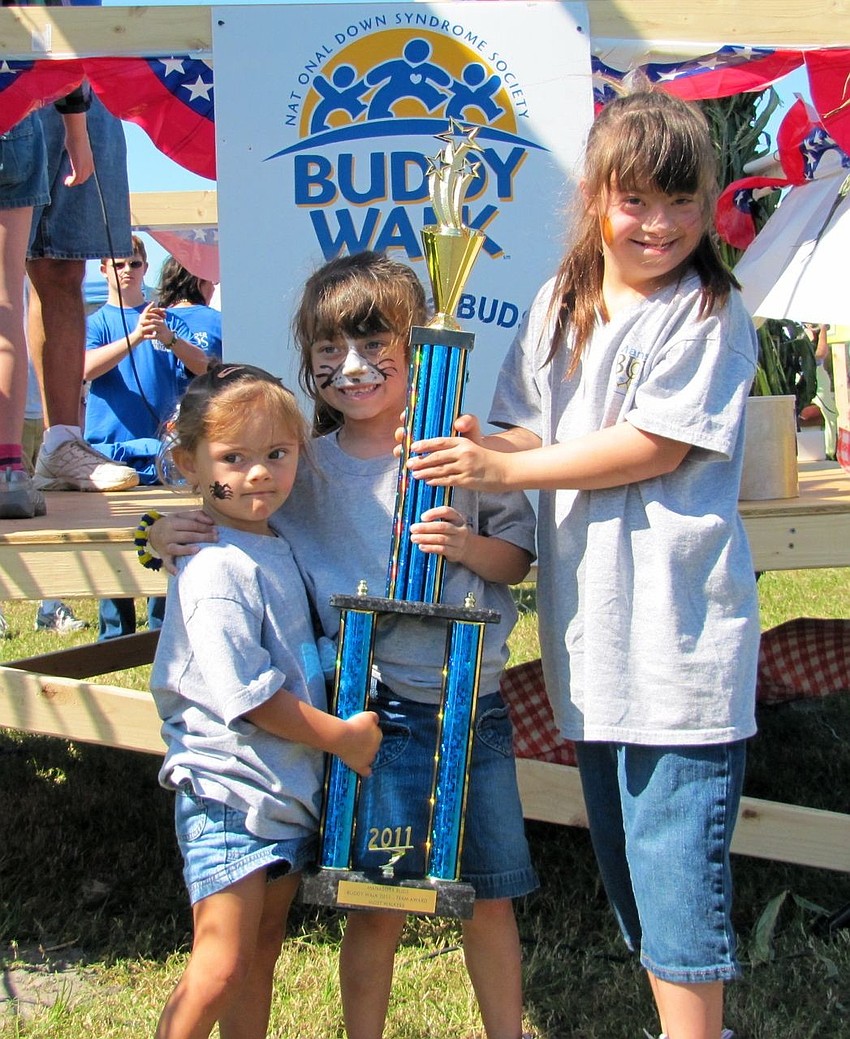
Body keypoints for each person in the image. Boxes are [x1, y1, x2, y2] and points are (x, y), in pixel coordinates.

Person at [405, 91, 758, 1039]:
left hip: (681, 645)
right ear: (595, 198)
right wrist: (471, 437)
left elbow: (651, 447)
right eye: (636, 199)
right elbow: (532, 425)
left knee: (678, 877)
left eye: (682, 202)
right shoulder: (561, 303)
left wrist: (507, 464)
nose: (660, 224)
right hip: (593, 647)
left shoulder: (711, 311)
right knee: (631, 874)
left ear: (710, 204)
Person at [143, 252, 539, 1039]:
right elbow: (230, 515)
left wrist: (467, 546)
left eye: (373, 346)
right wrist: (157, 534)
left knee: (489, 896)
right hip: (374, 714)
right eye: (330, 351)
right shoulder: (298, 464)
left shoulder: (465, 453)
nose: (351, 368)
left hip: (475, 706)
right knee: (377, 898)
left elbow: (517, 559)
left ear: (418, 349)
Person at [150, 361, 382, 1039]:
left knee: (261, 948)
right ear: (187, 463)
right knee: (220, 964)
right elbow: (248, 697)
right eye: (233, 458)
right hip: (231, 792)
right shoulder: (217, 564)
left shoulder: (275, 542)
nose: (257, 473)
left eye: (276, 454)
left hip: (281, 792)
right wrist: (340, 736)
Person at [85, 234, 210, 640]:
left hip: (161, 457)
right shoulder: (95, 322)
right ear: (103, 269)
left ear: (144, 268)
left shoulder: (167, 319)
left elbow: (205, 368)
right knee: (112, 556)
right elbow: (84, 370)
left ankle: (162, 634)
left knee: (165, 544)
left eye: (134, 264)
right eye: (118, 264)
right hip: (108, 455)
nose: (127, 271)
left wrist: (170, 340)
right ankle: (113, 640)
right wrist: (135, 338)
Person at [156, 255, 223, 386]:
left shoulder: (153, 321)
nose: (213, 288)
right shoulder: (219, 321)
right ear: (198, 281)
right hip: (209, 401)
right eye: (211, 282)